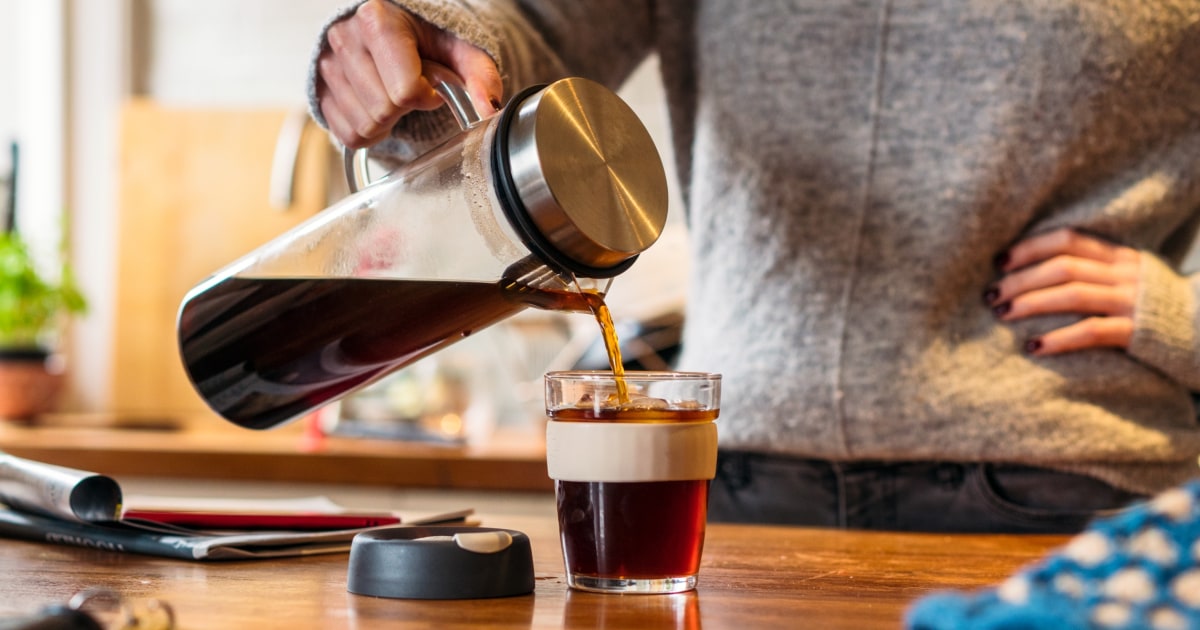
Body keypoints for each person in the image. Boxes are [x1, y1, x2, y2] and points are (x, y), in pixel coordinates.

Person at [308, 0, 1200, 533]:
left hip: (1071, 486)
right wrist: (408, 54)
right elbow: (510, 44)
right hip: (736, 481)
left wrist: (1181, 319)